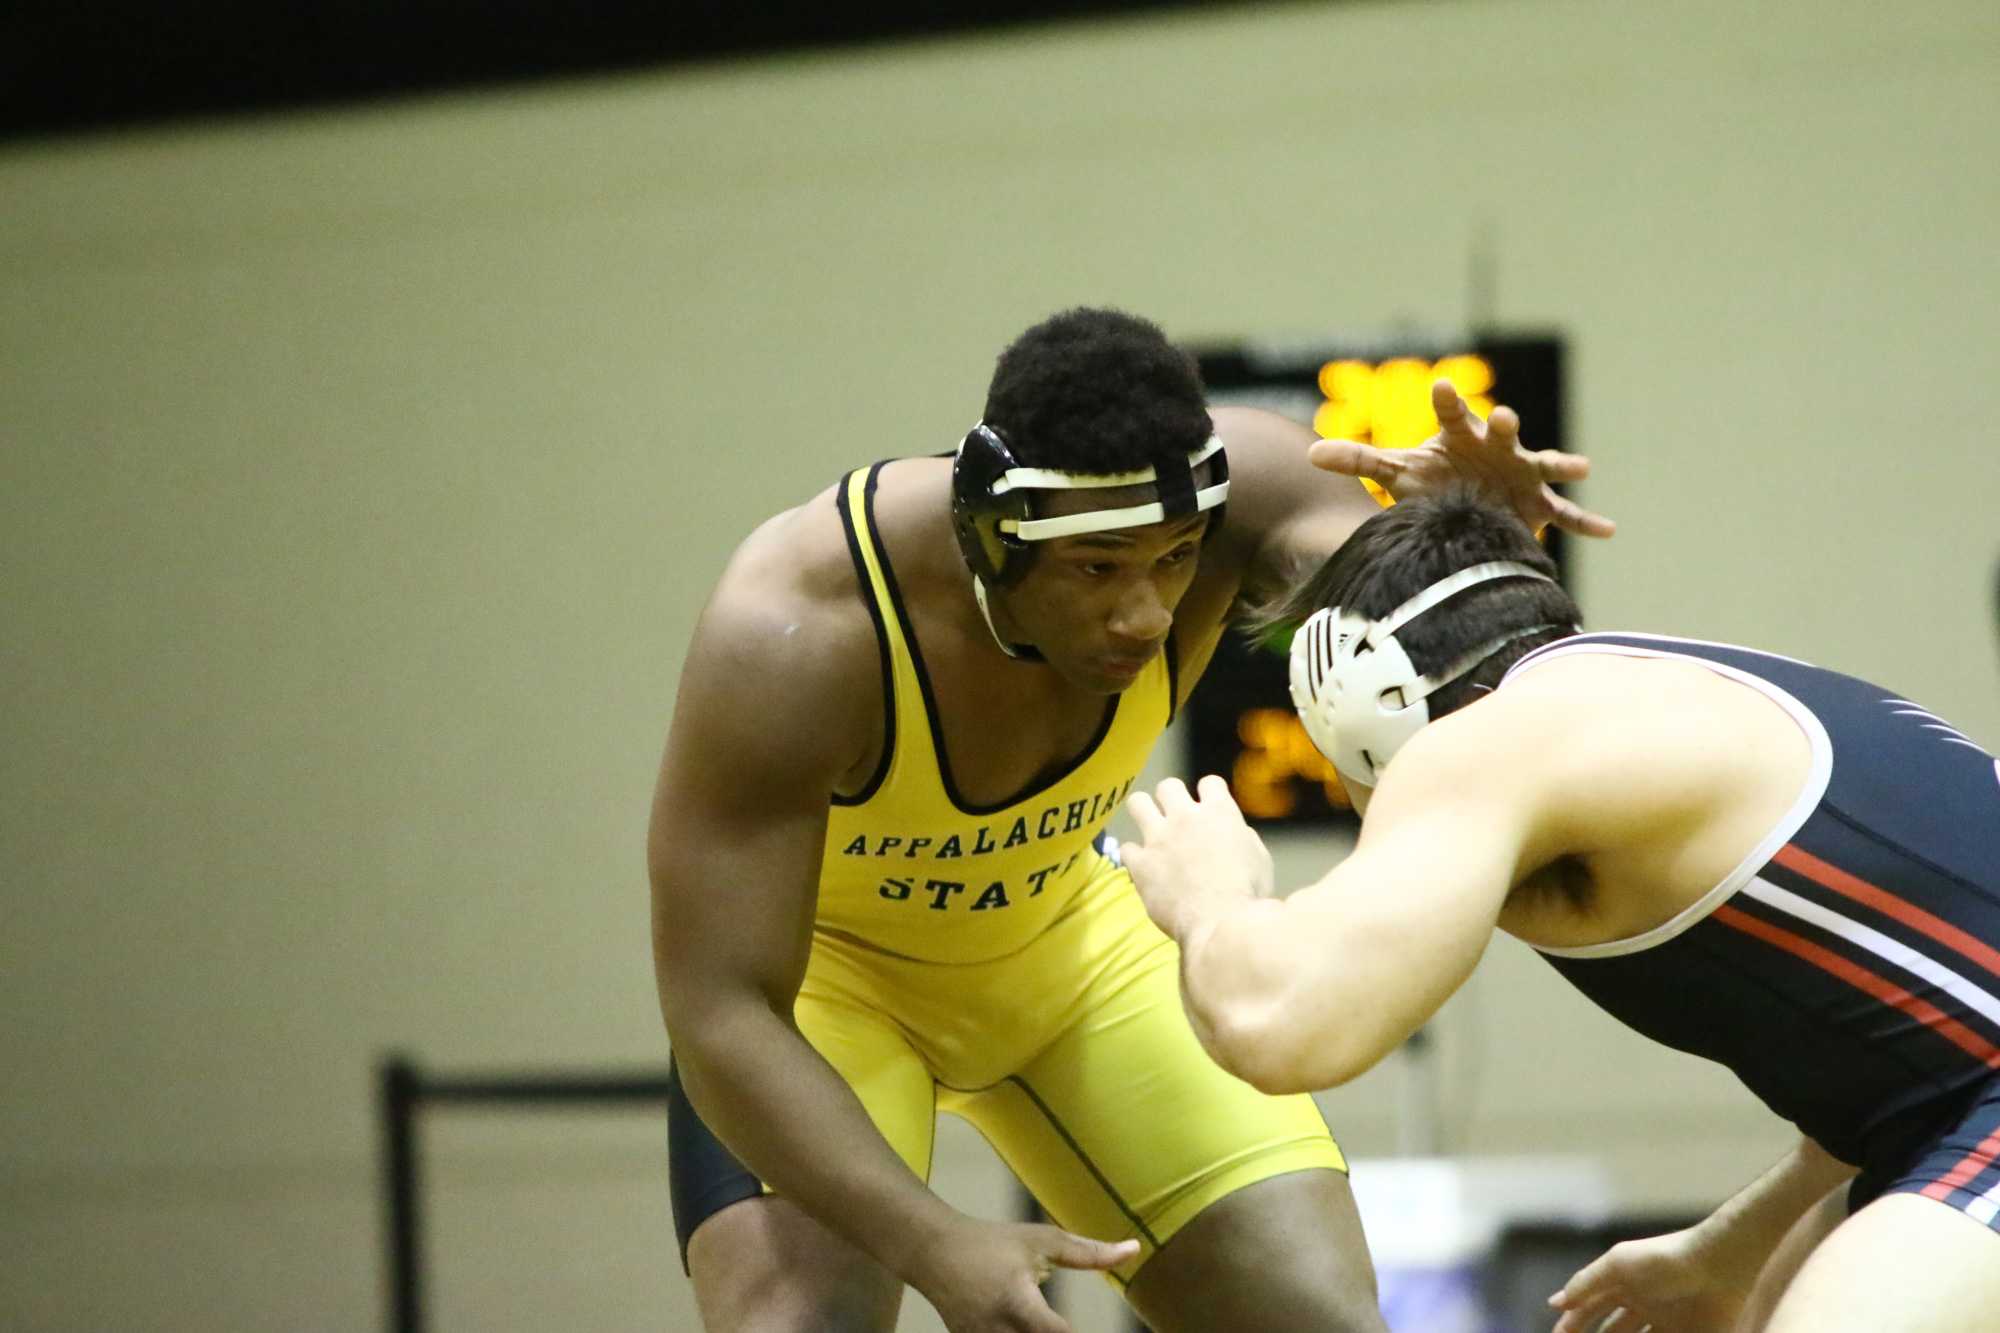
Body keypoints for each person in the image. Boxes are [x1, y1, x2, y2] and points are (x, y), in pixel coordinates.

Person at [647, 307, 1610, 1333]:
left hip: (1068, 949)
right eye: (1098, 567)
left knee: (1318, 1322)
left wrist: (1476, 547)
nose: (1144, 613)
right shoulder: (799, 626)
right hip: (828, 988)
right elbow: (720, 1010)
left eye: (1174, 558)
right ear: (992, 536)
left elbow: (1413, 630)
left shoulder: (1251, 484)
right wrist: (936, 1240)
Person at [1119, 490, 2000, 1333]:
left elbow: (1284, 1023)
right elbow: (1906, 1070)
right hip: (1950, 1113)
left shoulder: (1492, 740)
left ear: (1364, 711)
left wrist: (1211, 899)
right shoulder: (1650, 691)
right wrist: (1725, 1249)